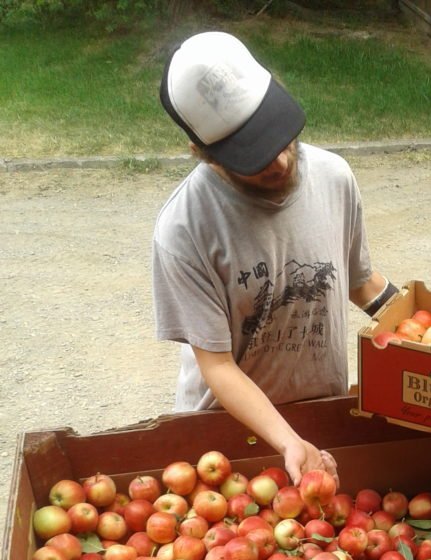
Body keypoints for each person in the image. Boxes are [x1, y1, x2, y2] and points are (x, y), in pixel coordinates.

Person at [152, 31, 397, 485]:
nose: (280, 162)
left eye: (280, 137)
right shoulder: (185, 227)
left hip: (319, 414)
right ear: (204, 154)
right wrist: (287, 441)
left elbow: (360, 281)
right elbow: (217, 366)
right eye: (254, 156)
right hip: (226, 436)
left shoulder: (335, 177)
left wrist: (428, 329)